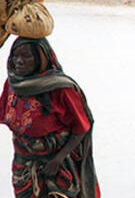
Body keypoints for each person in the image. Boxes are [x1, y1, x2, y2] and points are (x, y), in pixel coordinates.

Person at [0, 37, 100, 197]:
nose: (18, 61)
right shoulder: (13, 85)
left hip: (57, 167)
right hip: (23, 167)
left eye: (26, 56)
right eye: (15, 56)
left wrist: (58, 160)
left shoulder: (61, 89)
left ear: (41, 58)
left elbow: (82, 127)